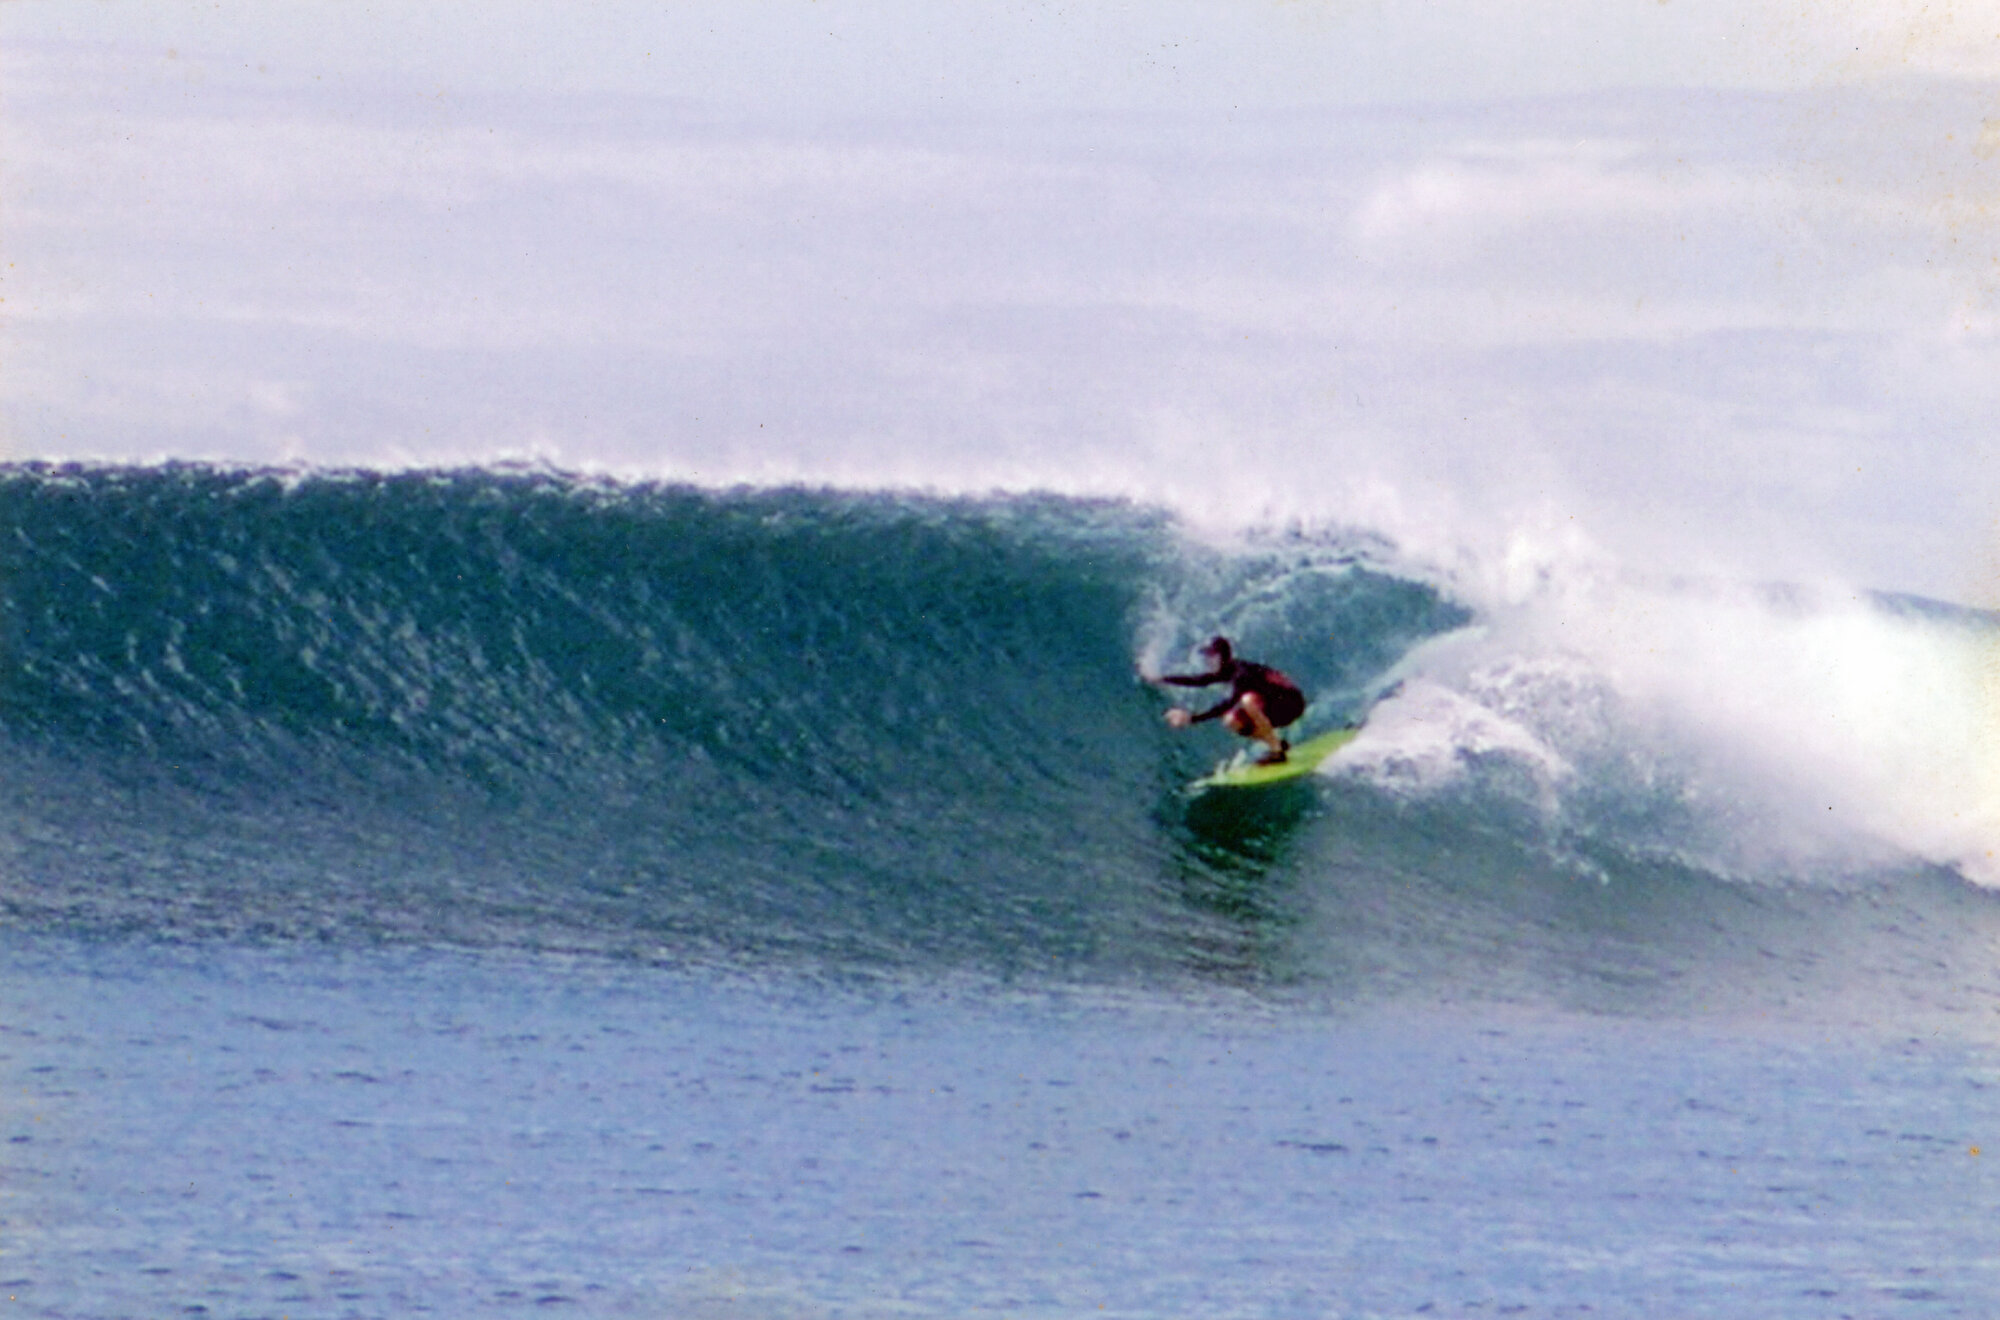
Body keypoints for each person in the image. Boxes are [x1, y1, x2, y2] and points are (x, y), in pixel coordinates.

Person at [1149, 636, 1306, 764]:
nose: (1208, 661)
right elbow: (1199, 680)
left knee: (1247, 701)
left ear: (1222, 657)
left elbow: (1227, 704)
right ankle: (1277, 744)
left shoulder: (1242, 674)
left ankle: (1277, 752)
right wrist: (1163, 679)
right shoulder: (1228, 670)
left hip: (1291, 705)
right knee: (1231, 720)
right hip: (1272, 706)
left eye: (1212, 656)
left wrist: (1191, 719)